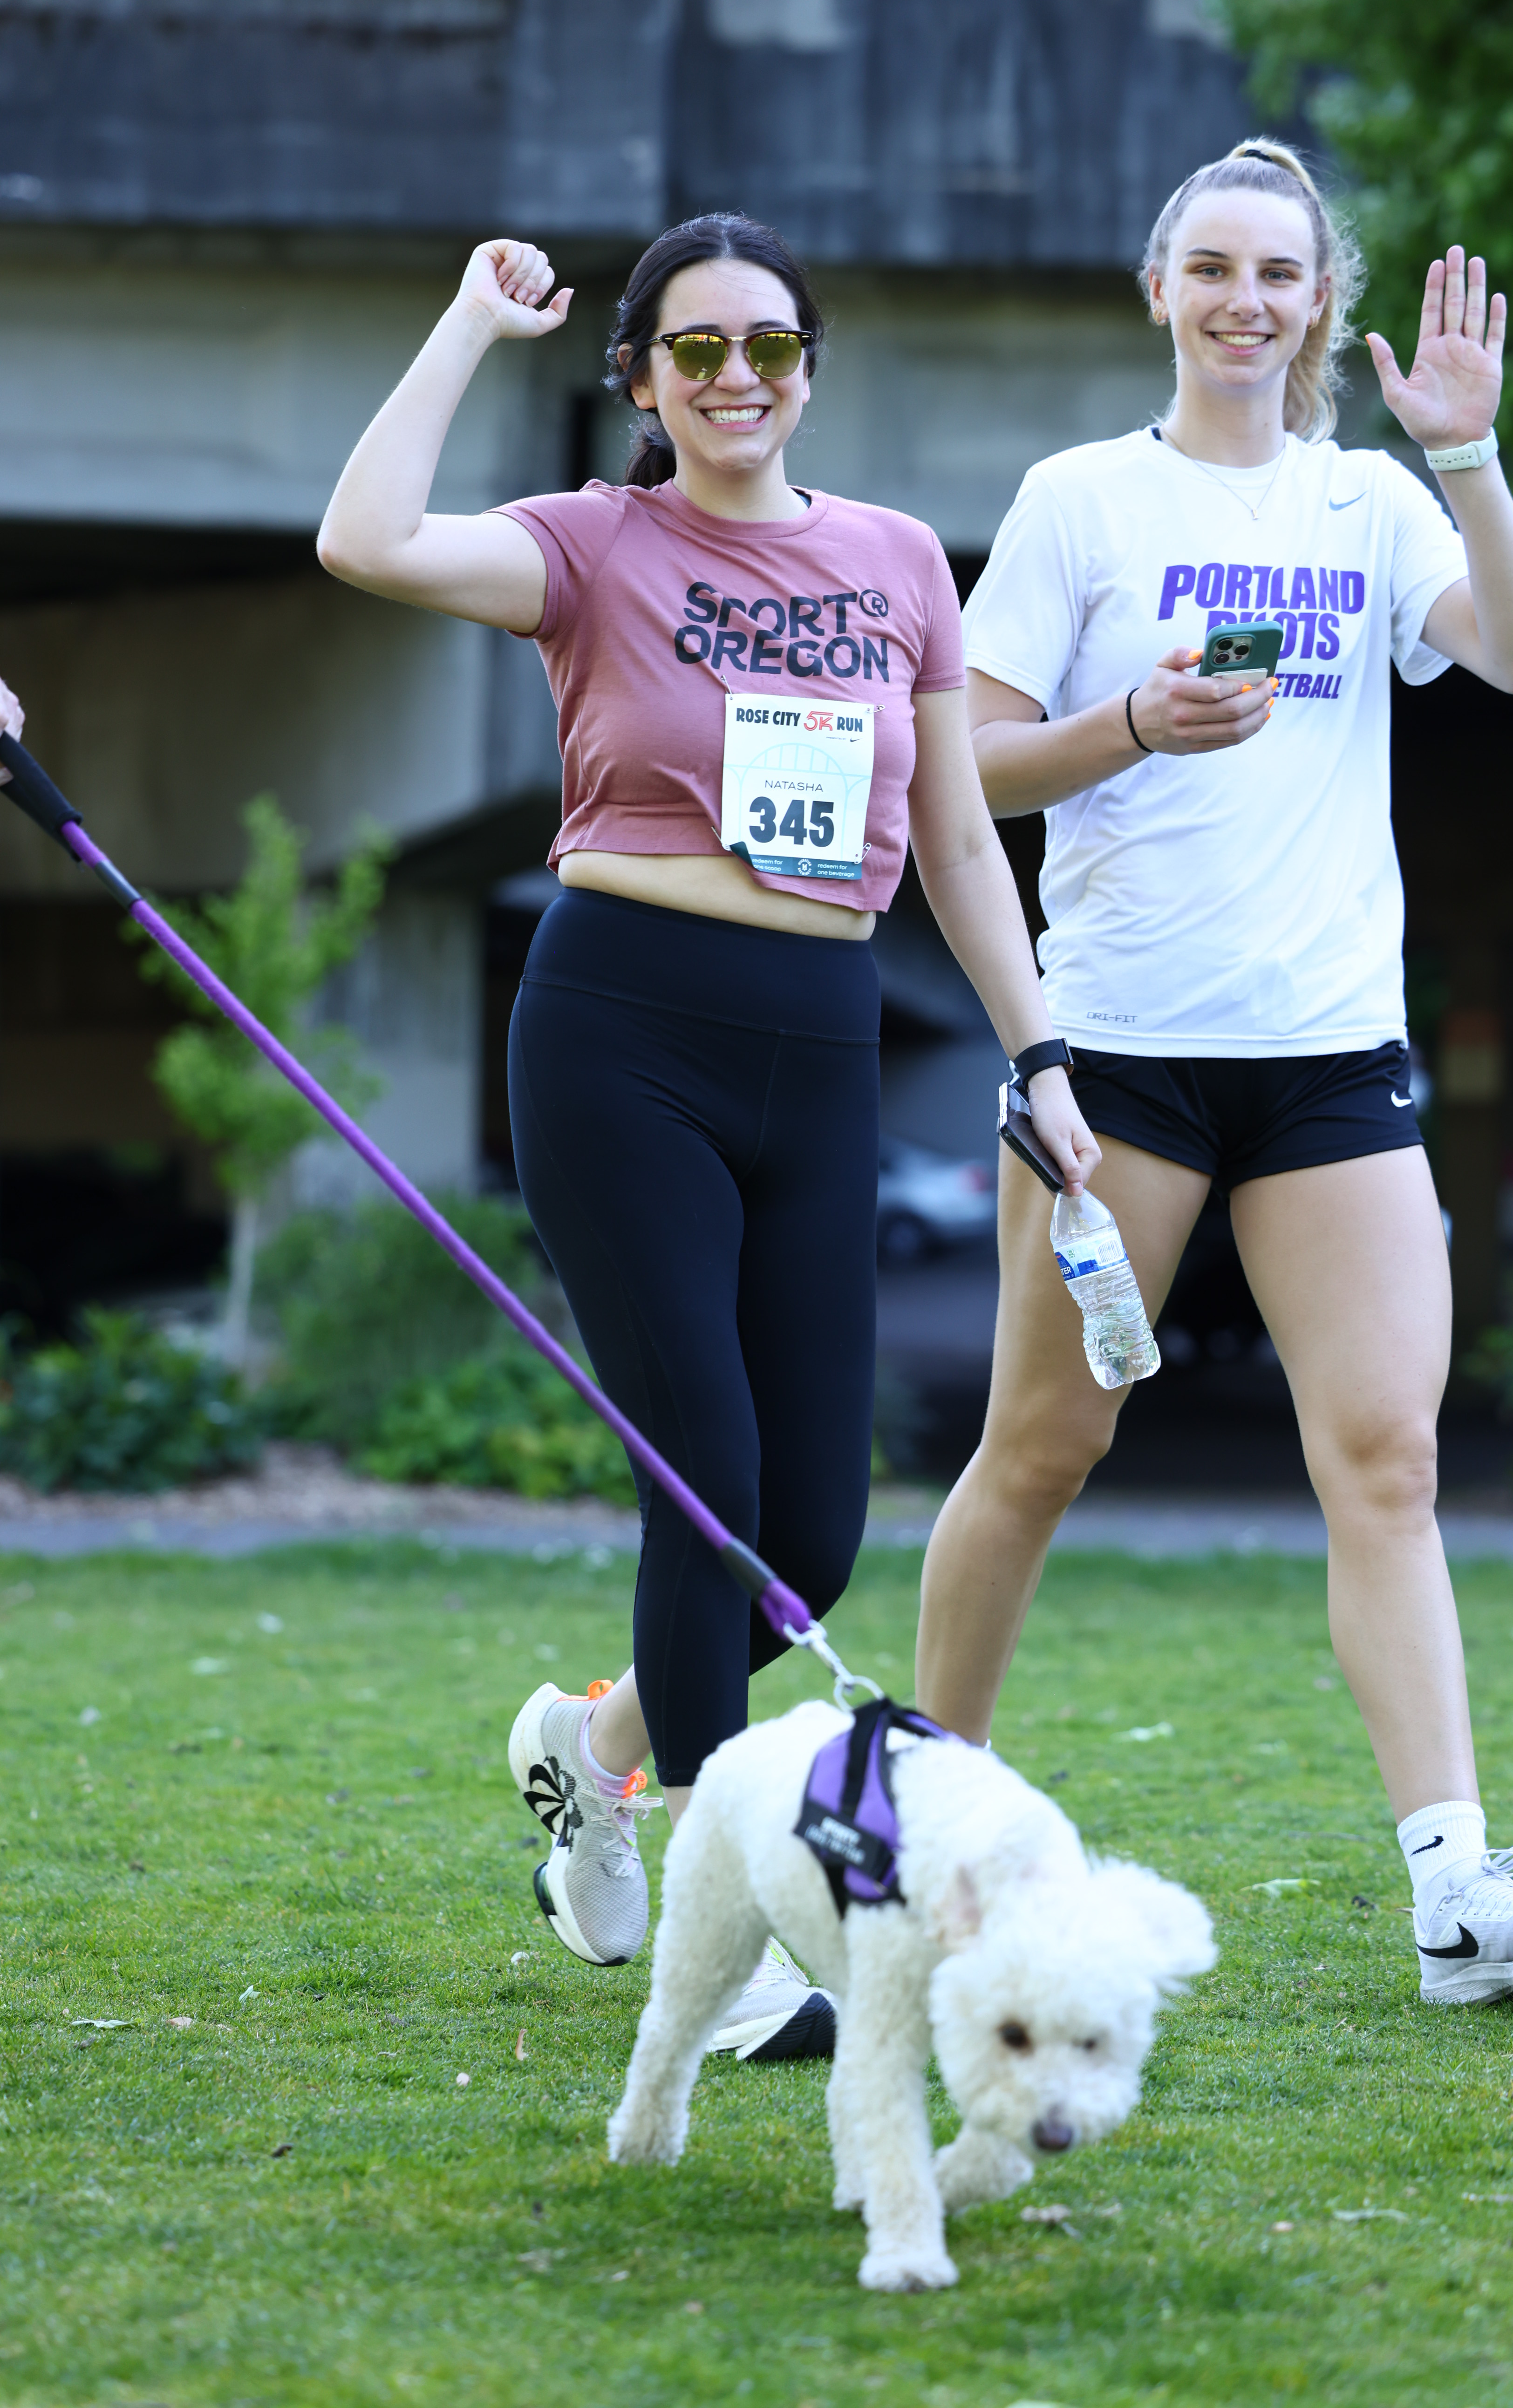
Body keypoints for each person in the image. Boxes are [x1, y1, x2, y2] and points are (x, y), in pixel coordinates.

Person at [317, 214, 1098, 2054]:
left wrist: (1040, 1057)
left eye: (770, 346)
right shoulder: (592, 542)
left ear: (808, 368)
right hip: (623, 1031)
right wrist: (464, 327)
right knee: (707, 1485)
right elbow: (364, 540)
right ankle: (727, 1944)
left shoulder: (896, 558)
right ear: (644, 380)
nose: (737, 377)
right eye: (696, 350)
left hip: (821, 1042)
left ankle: (591, 1751)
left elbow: (957, 839)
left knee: (806, 1538)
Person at [914, 139, 1513, 2009]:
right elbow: (963, 770)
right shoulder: (1079, 499)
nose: (1246, 301)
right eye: (1214, 269)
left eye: (1280, 274)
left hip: (1328, 1062)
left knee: (1387, 1460)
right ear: (1160, 288)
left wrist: (1468, 456)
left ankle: (1455, 1897)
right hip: (1117, 1059)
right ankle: (921, 1835)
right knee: (1043, 1451)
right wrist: (1130, 724)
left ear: (1322, 303)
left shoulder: (1366, 502)